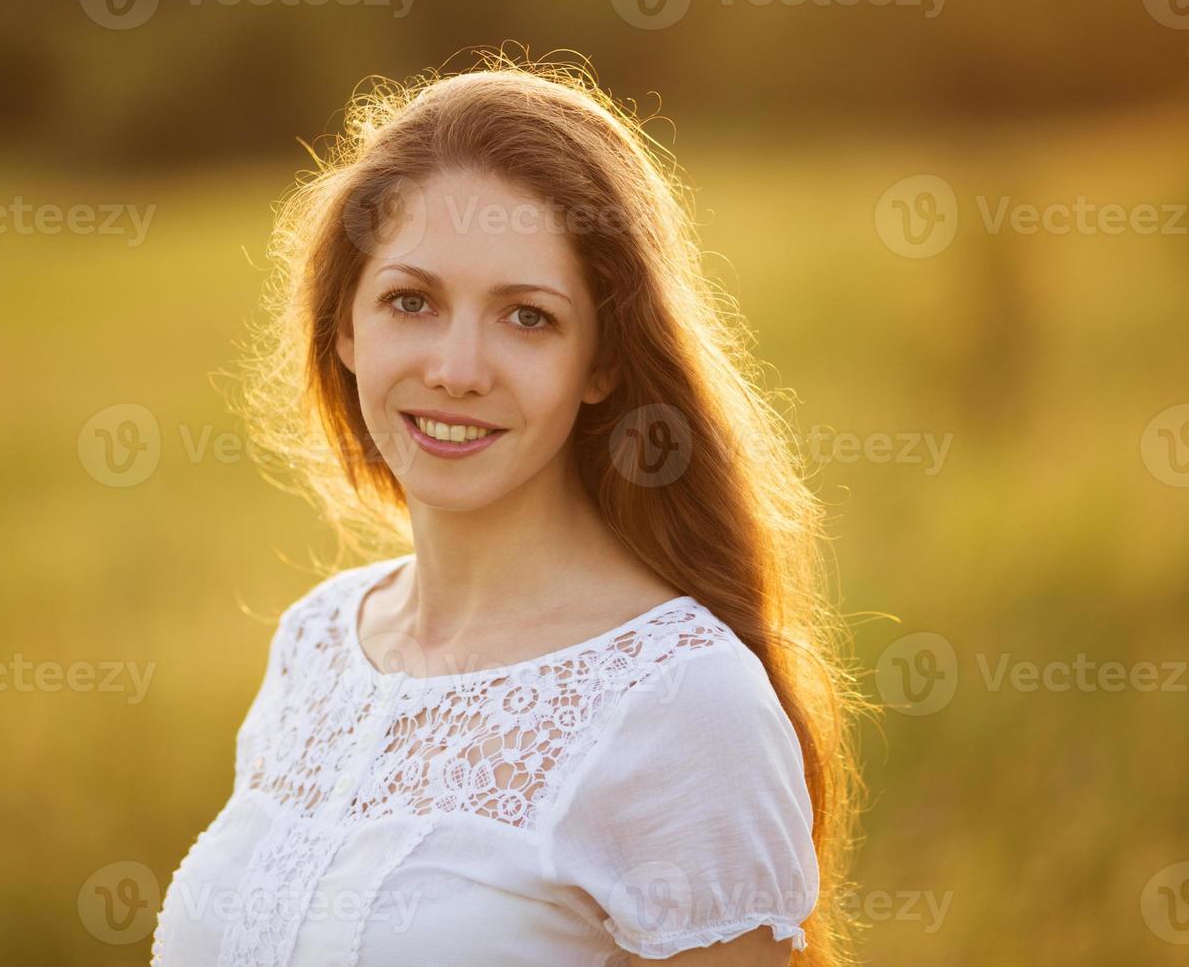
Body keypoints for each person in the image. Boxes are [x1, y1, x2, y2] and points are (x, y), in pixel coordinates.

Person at [153, 50, 870, 967]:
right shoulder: (316, 642)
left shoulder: (681, 701)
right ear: (346, 328)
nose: (457, 368)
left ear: (603, 362)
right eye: (411, 300)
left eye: (527, 316)